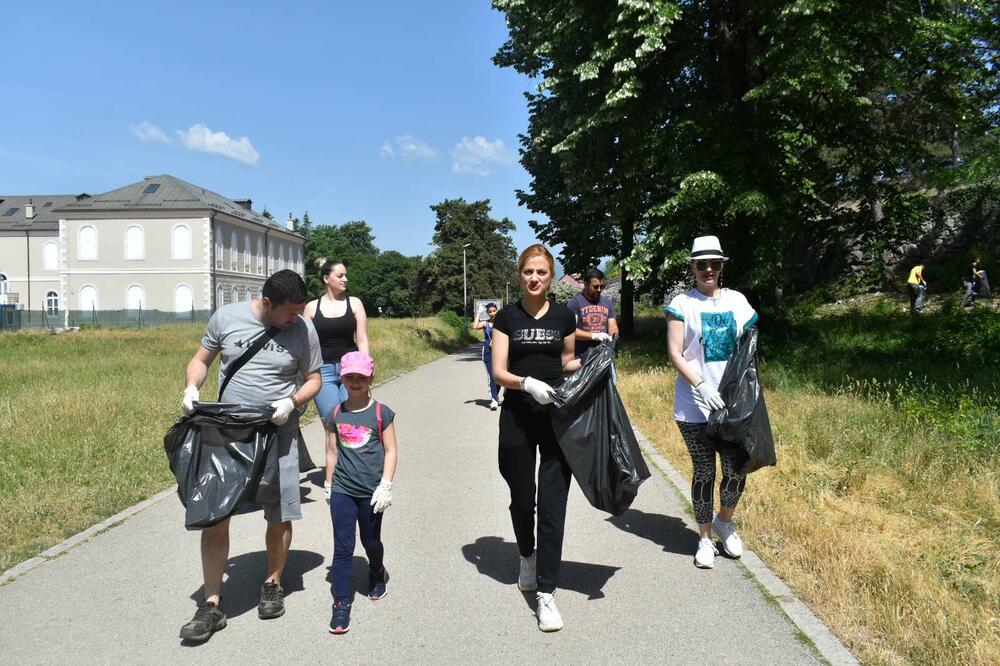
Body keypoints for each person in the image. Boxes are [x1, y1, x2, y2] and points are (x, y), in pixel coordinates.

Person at [178, 269, 323, 642]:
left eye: (299, 311)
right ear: (268, 302)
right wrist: (192, 388)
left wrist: (290, 402)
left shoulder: (303, 329)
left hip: (279, 430)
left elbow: (314, 379)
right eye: (290, 312)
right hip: (229, 433)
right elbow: (201, 360)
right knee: (215, 514)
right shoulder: (226, 318)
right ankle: (211, 604)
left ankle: (273, 582)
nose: (295, 319)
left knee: (280, 511)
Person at [491, 244, 581, 632]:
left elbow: (566, 361)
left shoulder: (564, 315)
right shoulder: (507, 317)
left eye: (542, 272)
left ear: (551, 276)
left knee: (552, 505)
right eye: (529, 271)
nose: (534, 279)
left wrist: (596, 358)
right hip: (517, 416)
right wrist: (526, 383)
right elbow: (498, 371)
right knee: (522, 498)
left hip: (557, 417)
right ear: (519, 274)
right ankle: (526, 554)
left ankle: (547, 593)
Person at [664, 236, 758, 570]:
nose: (708, 270)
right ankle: (704, 538)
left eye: (714, 264)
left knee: (736, 470)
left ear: (722, 267)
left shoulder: (737, 302)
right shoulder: (682, 304)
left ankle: (724, 521)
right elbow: (675, 352)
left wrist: (747, 393)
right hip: (694, 405)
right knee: (704, 471)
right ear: (692, 267)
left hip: (731, 406)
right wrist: (701, 384)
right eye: (701, 264)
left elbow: (749, 347)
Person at [324, 351, 397, 635]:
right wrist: (329, 484)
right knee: (342, 547)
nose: (355, 382)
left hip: (371, 492)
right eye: (349, 377)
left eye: (361, 377)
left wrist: (386, 485)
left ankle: (376, 570)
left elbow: (391, 451)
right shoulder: (335, 413)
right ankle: (341, 601)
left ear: (371, 378)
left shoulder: (381, 413)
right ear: (342, 378)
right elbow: (331, 451)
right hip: (342, 489)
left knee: (370, 542)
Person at [304, 257, 369, 438]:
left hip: (351, 369)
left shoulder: (354, 303)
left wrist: (366, 369)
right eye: (340, 275)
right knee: (331, 426)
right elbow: (306, 345)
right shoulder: (311, 308)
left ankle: (354, 464)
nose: (345, 279)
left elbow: (362, 339)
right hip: (322, 372)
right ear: (326, 279)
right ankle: (334, 466)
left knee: (354, 420)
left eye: (345, 275)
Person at [567, 267, 619, 359]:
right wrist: (593, 336)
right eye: (595, 287)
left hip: (603, 355)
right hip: (581, 357)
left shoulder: (607, 303)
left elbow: (613, 326)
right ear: (586, 284)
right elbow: (570, 331)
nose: (599, 289)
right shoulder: (574, 303)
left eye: (602, 286)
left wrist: (612, 336)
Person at [472, 302, 501, 409]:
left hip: (500, 352)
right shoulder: (485, 324)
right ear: (487, 313)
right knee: (492, 376)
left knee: (500, 376)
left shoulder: (502, 323)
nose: (492, 313)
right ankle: (493, 399)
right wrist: (479, 313)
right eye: (490, 312)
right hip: (488, 352)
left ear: (497, 311)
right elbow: (475, 326)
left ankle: (495, 395)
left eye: (494, 311)